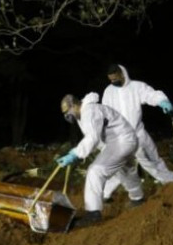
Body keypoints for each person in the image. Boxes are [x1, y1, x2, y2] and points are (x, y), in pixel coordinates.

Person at [57, 93, 144, 228]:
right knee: (124, 169)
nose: (67, 116)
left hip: (121, 141)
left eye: (67, 112)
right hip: (123, 140)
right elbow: (96, 138)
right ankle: (138, 198)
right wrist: (80, 154)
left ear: (74, 105)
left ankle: (93, 214)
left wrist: (75, 153)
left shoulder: (89, 111)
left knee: (95, 171)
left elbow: (92, 138)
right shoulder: (85, 113)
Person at [101, 64, 173, 203]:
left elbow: (151, 95)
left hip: (137, 134)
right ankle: (105, 194)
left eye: (115, 79)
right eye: (111, 80)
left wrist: (162, 101)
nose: (113, 82)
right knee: (119, 166)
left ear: (122, 74)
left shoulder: (136, 87)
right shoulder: (108, 91)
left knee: (152, 162)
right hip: (119, 137)